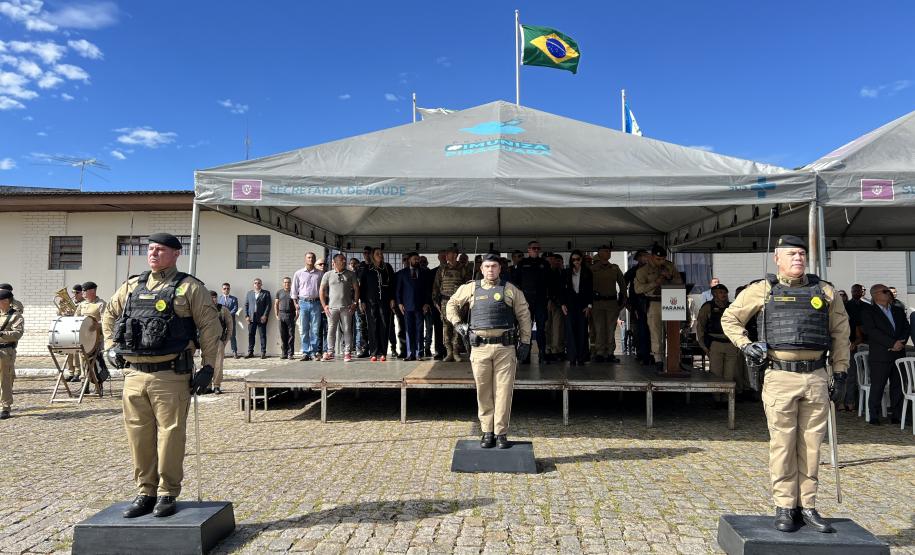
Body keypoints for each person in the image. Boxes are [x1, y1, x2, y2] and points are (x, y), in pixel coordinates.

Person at [721, 235, 849, 533]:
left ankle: (807, 506)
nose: (798, 258)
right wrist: (746, 345)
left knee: (812, 445)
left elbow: (841, 334)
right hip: (779, 376)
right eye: (791, 254)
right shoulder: (763, 290)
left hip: (816, 375)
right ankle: (784, 506)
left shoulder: (826, 292)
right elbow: (730, 319)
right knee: (782, 444)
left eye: (802, 253)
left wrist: (840, 372)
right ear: (777, 258)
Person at [101, 232, 221, 519]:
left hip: (170, 375)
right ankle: (145, 491)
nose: (153, 254)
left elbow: (209, 328)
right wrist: (109, 346)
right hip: (133, 375)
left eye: (161, 250)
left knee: (170, 436)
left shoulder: (189, 287)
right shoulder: (132, 286)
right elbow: (108, 315)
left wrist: (208, 367)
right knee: (138, 436)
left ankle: (167, 492)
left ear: (176, 254)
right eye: (151, 249)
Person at [446, 253, 532, 449]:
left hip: (505, 348)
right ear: (481, 269)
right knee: (483, 391)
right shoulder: (470, 288)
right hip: (480, 348)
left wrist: (525, 341)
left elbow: (524, 315)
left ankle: (501, 433)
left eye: (494, 266)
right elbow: (451, 304)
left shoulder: (510, 290)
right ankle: (487, 431)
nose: (491, 270)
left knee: (504, 391)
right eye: (487, 266)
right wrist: (458, 324)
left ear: (500, 269)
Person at [860, 283, 911, 424]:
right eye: (885, 291)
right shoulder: (868, 311)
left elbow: (906, 328)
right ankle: (874, 415)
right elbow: (872, 331)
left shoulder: (898, 310)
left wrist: (901, 342)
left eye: (888, 291)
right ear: (876, 294)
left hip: (898, 354)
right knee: (878, 385)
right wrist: (891, 343)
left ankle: (897, 415)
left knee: (898, 385)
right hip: (881, 355)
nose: (889, 293)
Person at [634, 244, 683, 370]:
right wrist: (655, 282)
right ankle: (658, 360)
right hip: (654, 302)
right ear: (651, 257)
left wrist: (670, 277)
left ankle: (675, 359)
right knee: (656, 332)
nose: (661, 262)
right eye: (658, 259)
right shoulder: (643, 270)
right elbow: (638, 289)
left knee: (672, 331)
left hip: (672, 301)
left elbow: (680, 282)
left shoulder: (669, 266)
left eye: (663, 259)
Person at [695, 283, 739, 406]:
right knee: (716, 374)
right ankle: (716, 398)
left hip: (731, 344)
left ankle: (727, 399)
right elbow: (700, 326)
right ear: (714, 294)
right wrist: (703, 345)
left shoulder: (732, 307)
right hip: (715, 344)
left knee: (730, 375)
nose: (723, 295)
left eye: (725, 293)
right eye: (720, 293)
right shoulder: (707, 307)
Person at [510, 240, 551, 364]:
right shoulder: (522, 263)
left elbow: (549, 282)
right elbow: (515, 283)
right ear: (528, 250)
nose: (536, 250)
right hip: (526, 302)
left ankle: (542, 354)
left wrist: (549, 299)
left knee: (541, 329)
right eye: (533, 248)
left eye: (538, 248)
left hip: (540, 301)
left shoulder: (544, 263)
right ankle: (525, 355)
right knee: (525, 329)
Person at [433, 247, 471, 362]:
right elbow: (436, 286)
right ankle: (449, 352)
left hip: (458, 302)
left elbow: (468, 286)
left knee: (457, 326)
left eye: (448, 254)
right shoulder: (442, 269)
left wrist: (467, 303)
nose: (446, 256)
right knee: (446, 327)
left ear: (455, 255)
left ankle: (456, 352)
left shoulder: (463, 269)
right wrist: (436, 301)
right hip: (445, 302)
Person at [590, 245, 627, 363]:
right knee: (599, 328)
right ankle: (600, 352)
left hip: (611, 302)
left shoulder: (614, 268)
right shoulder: (592, 269)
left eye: (609, 251)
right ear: (599, 253)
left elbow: (622, 285)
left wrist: (623, 301)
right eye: (605, 251)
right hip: (597, 303)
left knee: (611, 328)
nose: (608, 253)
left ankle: (610, 352)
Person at [319, 254, 359, 362]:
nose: (344, 261)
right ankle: (330, 352)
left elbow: (356, 289)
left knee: (347, 330)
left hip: (346, 307)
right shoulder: (327, 274)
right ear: (335, 262)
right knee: (331, 330)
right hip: (332, 308)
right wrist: (324, 305)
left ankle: (347, 353)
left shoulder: (351, 274)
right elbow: (321, 290)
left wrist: (355, 303)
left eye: (344, 260)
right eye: (341, 260)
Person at [360, 247, 396, 361]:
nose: (380, 255)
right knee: (373, 326)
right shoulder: (367, 268)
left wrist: (392, 299)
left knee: (384, 326)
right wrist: (363, 301)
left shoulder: (387, 267)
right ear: (372, 255)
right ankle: (374, 352)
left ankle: (383, 353)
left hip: (385, 301)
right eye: (377, 254)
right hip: (371, 302)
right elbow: (363, 287)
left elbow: (392, 284)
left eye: (381, 253)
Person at [395, 252, 432, 360]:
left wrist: (426, 303)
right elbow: (398, 290)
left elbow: (427, 290)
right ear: (409, 260)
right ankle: (410, 354)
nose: (417, 261)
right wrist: (400, 303)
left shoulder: (424, 273)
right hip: (407, 307)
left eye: (418, 259)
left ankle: (419, 353)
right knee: (409, 330)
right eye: (414, 259)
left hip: (420, 306)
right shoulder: (402, 273)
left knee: (419, 330)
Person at [561, 250, 593, 366]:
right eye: (573, 260)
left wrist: (589, 306)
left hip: (582, 305)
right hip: (570, 305)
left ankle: (581, 357)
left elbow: (590, 290)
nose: (576, 262)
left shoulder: (587, 272)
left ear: (581, 259)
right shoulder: (566, 272)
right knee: (570, 331)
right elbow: (562, 290)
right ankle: (572, 357)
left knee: (582, 331)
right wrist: (562, 304)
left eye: (578, 259)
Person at [73, 281, 107, 386]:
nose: (82, 292)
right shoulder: (82, 305)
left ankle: (98, 384)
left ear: (92, 291)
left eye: (84, 290)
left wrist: (96, 325)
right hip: (83, 338)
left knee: (95, 361)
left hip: (96, 338)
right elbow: (76, 319)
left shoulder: (101, 304)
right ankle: (85, 384)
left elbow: (105, 320)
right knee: (83, 360)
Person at [291, 252, 324, 361]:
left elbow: (323, 290)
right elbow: (294, 290)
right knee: (304, 329)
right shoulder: (298, 273)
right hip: (303, 303)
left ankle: (314, 352)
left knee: (315, 330)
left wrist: (323, 304)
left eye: (312, 258)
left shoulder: (320, 274)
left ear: (315, 260)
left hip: (316, 303)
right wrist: (296, 304)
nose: (311, 259)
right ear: (305, 259)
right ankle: (305, 352)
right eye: (309, 258)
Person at [841, 283, 867, 411]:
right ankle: (849, 401)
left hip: (863, 343)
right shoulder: (847, 307)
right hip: (848, 345)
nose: (857, 292)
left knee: (864, 375)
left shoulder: (867, 306)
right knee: (850, 376)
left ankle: (859, 402)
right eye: (855, 290)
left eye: (860, 290)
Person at [0, 288, 23, 420]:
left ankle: (5, 407)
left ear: (6, 301)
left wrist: (2, 334)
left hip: (5, 351)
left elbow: (17, 334)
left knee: (5, 380)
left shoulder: (16, 316)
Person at [624, 250, 651, 364]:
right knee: (639, 330)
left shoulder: (652, 269)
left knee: (650, 330)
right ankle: (641, 353)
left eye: (646, 256)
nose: (645, 258)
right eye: (643, 256)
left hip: (651, 302)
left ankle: (650, 353)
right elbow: (623, 284)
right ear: (638, 258)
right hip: (637, 304)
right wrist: (627, 303)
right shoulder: (633, 271)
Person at [209, 290, 232, 394]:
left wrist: (225, 341)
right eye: (211, 297)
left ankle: (217, 385)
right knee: (206, 364)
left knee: (218, 364)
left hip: (219, 341)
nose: (213, 299)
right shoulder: (203, 309)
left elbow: (229, 327)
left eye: (214, 297)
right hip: (206, 342)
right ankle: (207, 385)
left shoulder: (223, 310)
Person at [545, 253, 566, 362]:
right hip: (547, 302)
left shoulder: (562, 273)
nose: (555, 262)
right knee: (547, 327)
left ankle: (557, 351)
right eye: (552, 260)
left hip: (559, 303)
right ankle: (548, 350)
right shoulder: (545, 272)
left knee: (558, 328)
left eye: (558, 261)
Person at [244, 278, 271, 359]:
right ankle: (250, 352)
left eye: (259, 283)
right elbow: (246, 305)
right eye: (255, 283)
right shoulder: (249, 293)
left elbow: (268, 305)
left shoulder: (266, 293)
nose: (257, 284)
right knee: (251, 335)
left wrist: (265, 315)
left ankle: (263, 352)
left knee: (262, 335)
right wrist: (246, 316)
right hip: (251, 318)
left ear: (261, 284)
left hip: (261, 317)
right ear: (253, 284)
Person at [349, 257, 368, 357]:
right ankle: (348, 348)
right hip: (348, 303)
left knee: (359, 326)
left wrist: (360, 301)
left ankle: (359, 348)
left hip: (359, 302)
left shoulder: (360, 274)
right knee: (347, 327)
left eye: (355, 263)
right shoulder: (347, 274)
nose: (353, 265)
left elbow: (361, 289)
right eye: (351, 263)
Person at [274, 277, 297, 359]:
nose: (286, 284)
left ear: (290, 283)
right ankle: (284, 353)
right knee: (283, 335)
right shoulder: (279, 292)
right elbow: (276, 304)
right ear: (283, 283)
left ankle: (290, 354)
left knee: (291, 335)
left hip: (291, 315)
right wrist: (277, 315)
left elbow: (297, 305)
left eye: (288, 282)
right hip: (281, 315)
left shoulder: (294, 292)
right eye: (285, 282)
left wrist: (297, 316)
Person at [218, 283, 239, 358]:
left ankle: (234, 352)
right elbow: (218, 309)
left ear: (229, 289)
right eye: (224, 288)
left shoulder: (234, 299)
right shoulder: (219, 299)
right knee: (221, 336)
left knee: (232, 336)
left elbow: (235, 308)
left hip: (231, 320)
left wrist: (228, 315)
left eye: (228, 288)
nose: (226, 290)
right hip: (221, 321)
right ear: (222, 290)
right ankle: (221, 352)